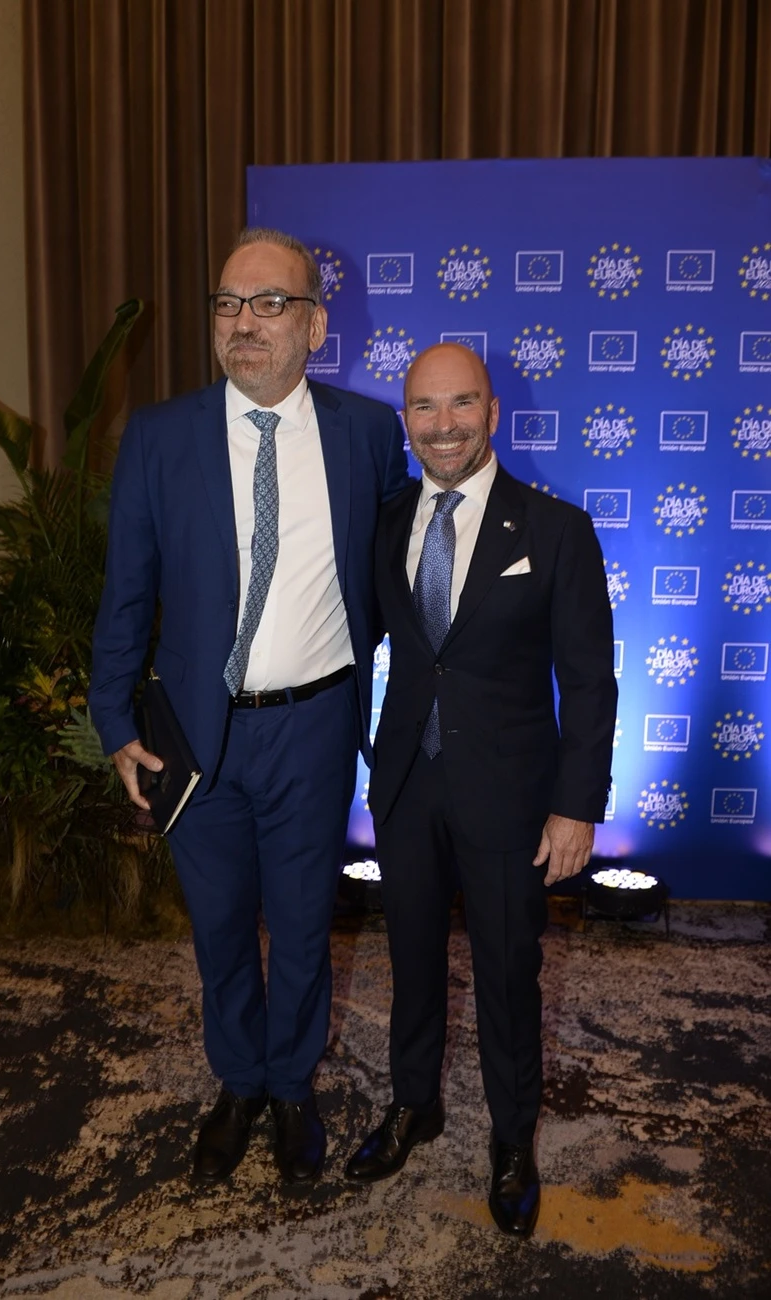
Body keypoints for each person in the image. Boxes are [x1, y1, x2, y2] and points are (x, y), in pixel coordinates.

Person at [88, 228, 409, 1186]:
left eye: (270, 303)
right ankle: (239, 1084)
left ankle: (291, 1087)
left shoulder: (366, 434)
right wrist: (116, 725)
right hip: (196, 734)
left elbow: (396, 572)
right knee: (221, 925)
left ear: (314, 325)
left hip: (314, 726)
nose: (244, 323)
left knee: (305, 924)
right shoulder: (160, 437)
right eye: (228, 303)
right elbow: (126, 594)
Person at [345, 343, 617, 1237]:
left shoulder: (555, 529)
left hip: (510, 796)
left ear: (492, 413)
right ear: (406, 420)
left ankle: (509, 1142)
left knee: (506, 974)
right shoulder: (385, 521)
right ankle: (412, 1106)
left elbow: (589, 682)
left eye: (461, 404)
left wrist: (575, 806)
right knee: (410, 960)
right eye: (424, 407)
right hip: (406, 785)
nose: (443, 425)